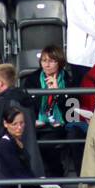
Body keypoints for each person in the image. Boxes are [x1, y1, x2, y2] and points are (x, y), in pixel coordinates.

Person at [21, 43, 76, 178]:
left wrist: (58, 92)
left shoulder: (68, 80)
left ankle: (56, 175)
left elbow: (71, 110)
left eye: (52, 61)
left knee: (46, 144)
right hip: (36, 123)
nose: (47, 64)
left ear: (60, 62)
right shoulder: (32, 80)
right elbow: (27, 104)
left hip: (60, 124)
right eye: (44, 60)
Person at [0, 107, 60, 188]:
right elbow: (19, 172)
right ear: (5, 124)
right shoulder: (5, 144)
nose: (19, 127)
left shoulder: (15, 141)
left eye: (21, 123)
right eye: (14, 124)